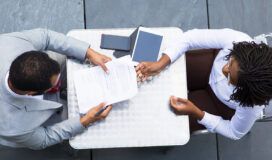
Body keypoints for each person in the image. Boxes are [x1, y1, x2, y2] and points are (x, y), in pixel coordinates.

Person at [136, 28, 272, 140]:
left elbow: (234, 132)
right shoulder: (238, 39)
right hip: (208, 66)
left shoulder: (252, 105)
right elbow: (190, 38)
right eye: (230, 61)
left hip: (218, 104)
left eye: (230, 77)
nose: (224, 69)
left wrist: (197, 113)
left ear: (243, 92)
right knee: (165, 72)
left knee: (168, 118)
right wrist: (161, 64)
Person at [0, 28, 112, 149]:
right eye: (55, 83)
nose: (59, 80)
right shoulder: (13, 127)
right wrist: (84, 121)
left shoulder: (7, 43)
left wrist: (89, 53)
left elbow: (46, 37)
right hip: (39, 119)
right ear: (31, 93)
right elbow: (45, 138)